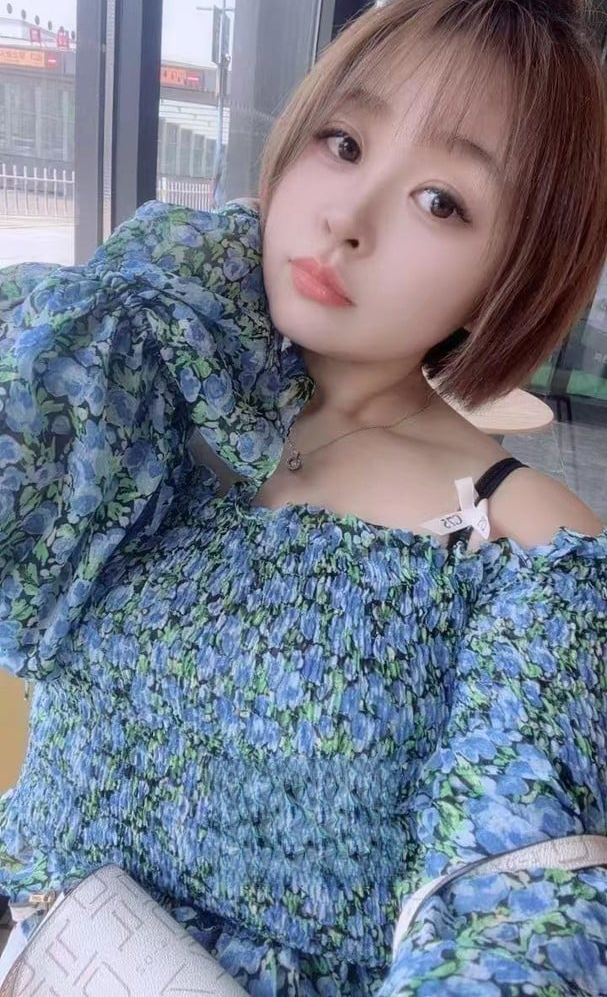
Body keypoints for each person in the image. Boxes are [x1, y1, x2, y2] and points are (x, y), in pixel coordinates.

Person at [1, 0, 606, 992]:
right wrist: (168, 277)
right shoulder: (152, 392)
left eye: (440, 201)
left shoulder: (529, 540)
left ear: (518, 269)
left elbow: (521, 915)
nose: (346, 219)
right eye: (344, 142)